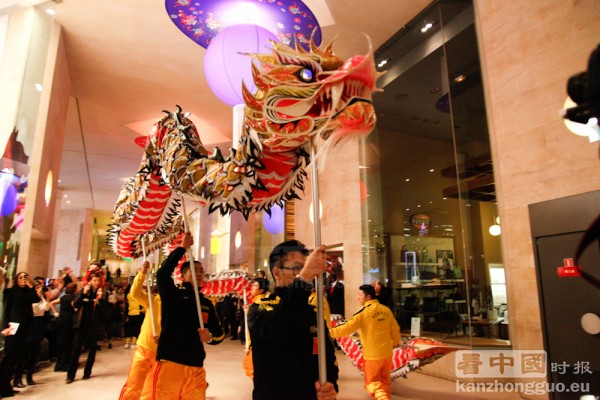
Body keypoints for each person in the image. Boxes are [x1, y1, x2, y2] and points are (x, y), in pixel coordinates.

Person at [247, 240, 338, 400]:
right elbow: (279, 329)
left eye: (306, 267)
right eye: (297, 268)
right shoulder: (260, 308)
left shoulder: (313, 311)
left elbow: (328, 357)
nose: (304, 273)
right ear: (276, 273)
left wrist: (330, 383)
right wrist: (304, 278)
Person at [141, 232, 224, 399]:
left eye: (202, 270)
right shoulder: (173, 294)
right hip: (170, 361)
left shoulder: (206, 303)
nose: (199, 273)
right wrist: (182, 248)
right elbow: (162, 274)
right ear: (183, 275)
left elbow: (219, 334)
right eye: (194, 270)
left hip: (195, 366)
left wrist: (209, 338)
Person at [329, 284, 401, 400]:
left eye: (360, 295)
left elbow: (346, 329)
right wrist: (395, 343)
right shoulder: (386, 310)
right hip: (387, 354)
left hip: (372, 356)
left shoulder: (363, 314)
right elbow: (395, 330)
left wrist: (328, 333)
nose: (358, 298)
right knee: (385, 382)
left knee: (372, 383)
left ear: (368, 297)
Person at [119, 261, 161, 400]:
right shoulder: (152, 300)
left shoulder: (175, 304)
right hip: (144, 347)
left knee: (151, 388)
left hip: (162, 352)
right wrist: (142, 273)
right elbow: (135, 293)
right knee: (134, 384)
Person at [0, 272, 39, 397]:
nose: (23, 280)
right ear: (16, 279)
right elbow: (6, 311)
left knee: (17, 357)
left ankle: (8, 386)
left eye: (25, 277)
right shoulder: (9, 292)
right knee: (9, 357)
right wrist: (5, 327)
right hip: (12, 327)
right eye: (21, 277)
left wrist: (30, 286)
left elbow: (36, 300)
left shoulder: (28, 293)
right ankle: (3, 387)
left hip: (25, 328)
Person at [66, 272, 105, 383]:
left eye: (98, 281)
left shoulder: (101, 293)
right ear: (90, 281)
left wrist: (100, 300)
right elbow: (75, 304)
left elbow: (105, 312)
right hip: (82, 325)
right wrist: (84, 294)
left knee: (92, 351)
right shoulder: (84, 291)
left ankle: (87, 373)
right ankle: (70, 375)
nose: (96, 283)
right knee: (76, 350)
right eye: (94, 280)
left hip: (94, 326)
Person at [242, 278, 269, 380]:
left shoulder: (258, 304)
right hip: (261, 345)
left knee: (254, 372)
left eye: (255, 286)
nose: (252, 288)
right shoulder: (263, 302)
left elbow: (254, 328)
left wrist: (248, 345)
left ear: (261, 290)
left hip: (256, 345)